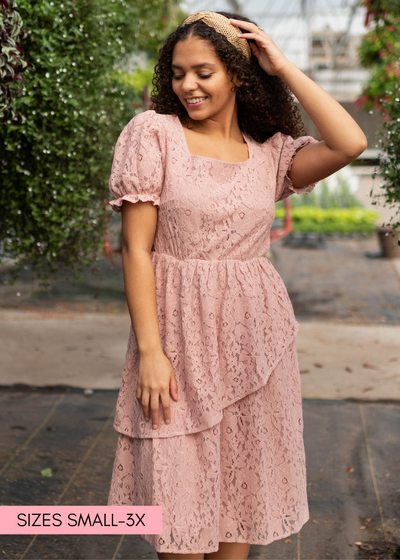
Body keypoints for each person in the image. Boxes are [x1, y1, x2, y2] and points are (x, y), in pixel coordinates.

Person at [107, 10, 367, 560]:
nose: (187, 85)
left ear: (238, 74)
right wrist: (151, 352)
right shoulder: (154, 135)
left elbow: (350, 143)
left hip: (254, 347)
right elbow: (136, 249)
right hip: (175, 345)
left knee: (236, 514)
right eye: (178, 73)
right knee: (177, 527)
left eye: (203, 71)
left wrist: (283, 65)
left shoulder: (271, 154)